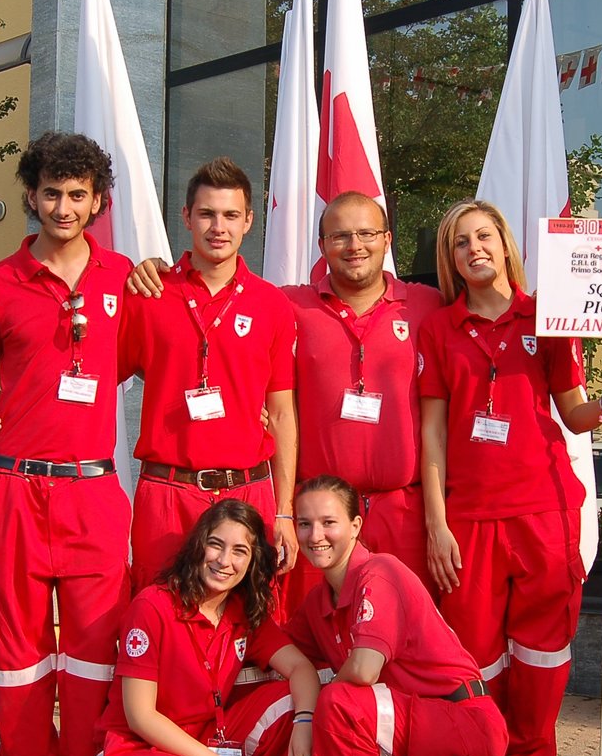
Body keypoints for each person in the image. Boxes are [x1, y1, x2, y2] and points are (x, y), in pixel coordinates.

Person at [418, 200, 602, 756]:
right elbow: (431, 437)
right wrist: (436, 523)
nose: (473, 249)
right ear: (451, 261)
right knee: (475, 662)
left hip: (544, 515)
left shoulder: (551, 315)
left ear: (505, 244)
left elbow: (574, 415)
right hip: (470, 521)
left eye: (483, 236)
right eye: (460, 244)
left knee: (541, 662)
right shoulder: (438, 329)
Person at [0, 132, 131, 756]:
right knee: (18, 654)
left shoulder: (127, 279)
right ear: (32, 195)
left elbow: (185, 353)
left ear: (98, 201)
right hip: (14, 488)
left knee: (92, 654)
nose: (64, 206)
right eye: (52, 192)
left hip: (93, 488)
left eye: (78, 194)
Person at [126, 191, 442, 601]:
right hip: (314, 515)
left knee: (403, 632)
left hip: (402, 512)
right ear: (321, 245)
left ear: (387, 239)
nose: (355, 246)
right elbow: (225, 338)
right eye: (340, 235)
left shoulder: (427, 305)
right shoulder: (288, 304)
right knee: (308, 636)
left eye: (367, 233)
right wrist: (153, 272)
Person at [285, 475, 508, 756]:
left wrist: (308, 714)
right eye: (304, 523)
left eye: (328, 522)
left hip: (465, 724)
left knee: (340, 701)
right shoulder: (318, 602)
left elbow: (365, 670)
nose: (315, 536)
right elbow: (279, 656)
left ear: (356, 525)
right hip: (408, 733)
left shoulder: (379, 571)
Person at [95, 499, 320, 756]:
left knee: (287, 701)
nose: (224, 560)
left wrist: (305, 721)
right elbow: (139, 715)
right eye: (216, 544)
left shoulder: (243, 608)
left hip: (205, 738)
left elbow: (300, 669)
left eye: (240, 551)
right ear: (198, 545)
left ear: (252, 561)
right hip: (140, 747)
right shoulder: (153, 606)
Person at [115, 157, 300, 606]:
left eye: (231, 215)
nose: (219, 227)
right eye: (207, 214)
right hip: (168, 492)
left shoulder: (272, 305)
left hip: (248, 490)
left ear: (249, 221)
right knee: (159, 616)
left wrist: (284, 510)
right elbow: (99, 377)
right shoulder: (148, 294)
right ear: (186, 217)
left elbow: (280, 413)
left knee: (251, 624)